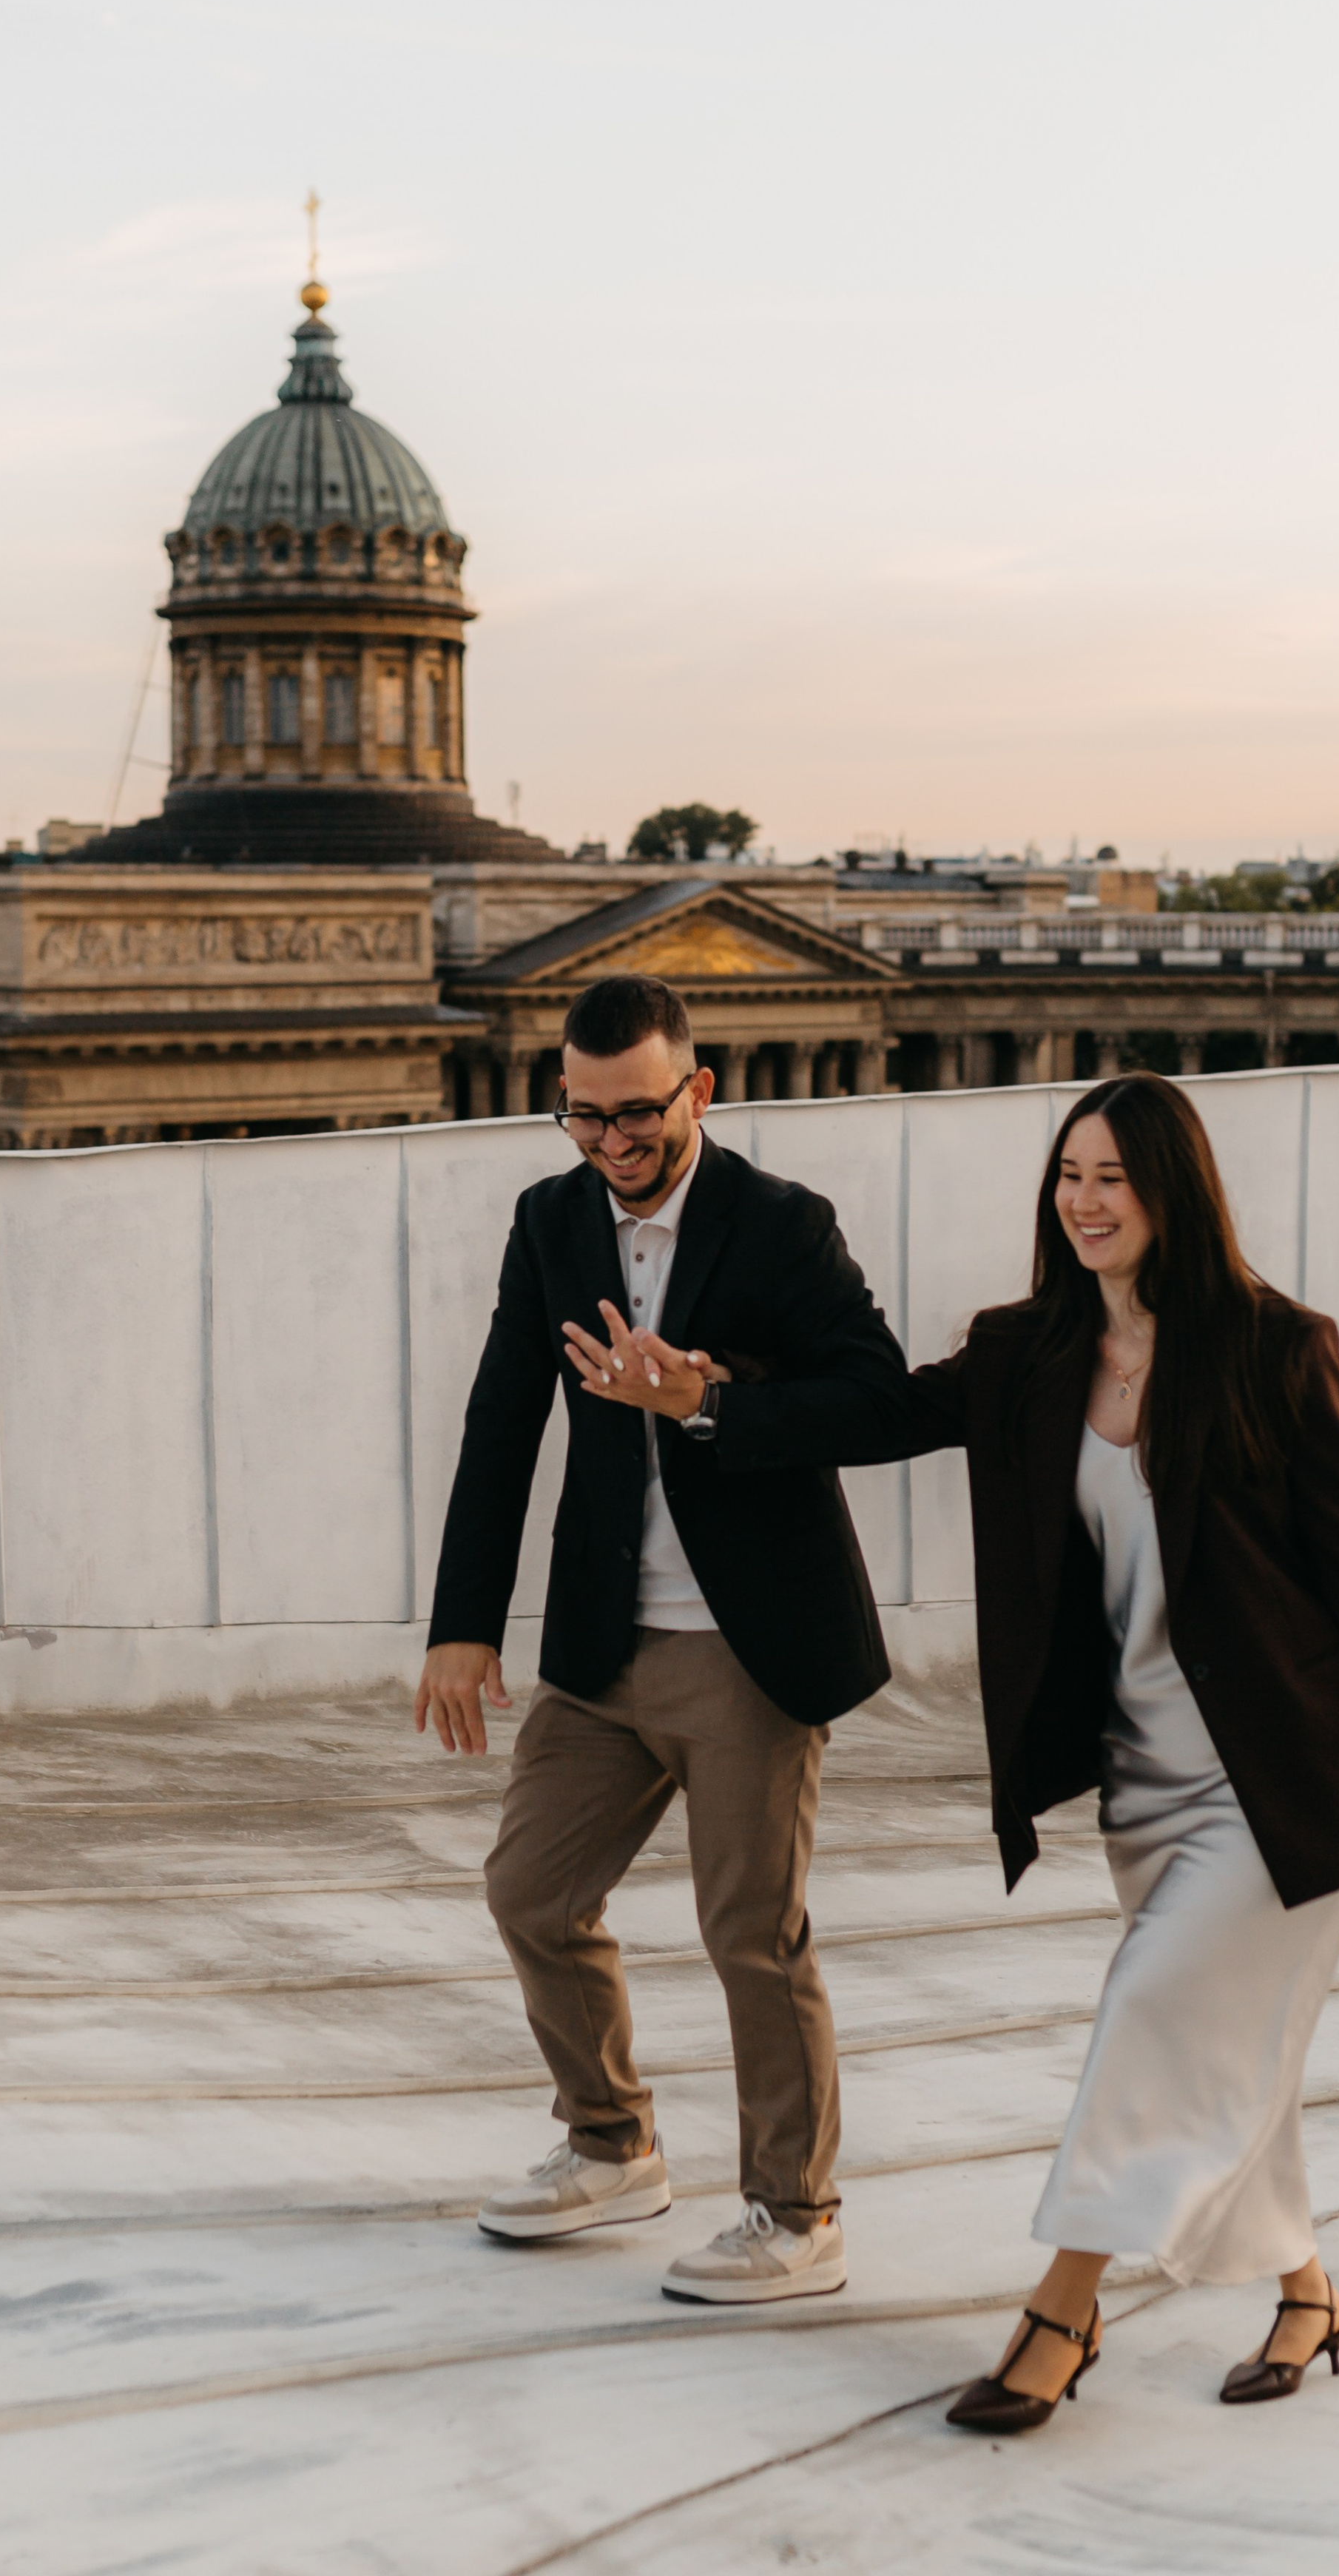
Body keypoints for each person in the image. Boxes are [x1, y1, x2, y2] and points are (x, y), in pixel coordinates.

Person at [575, 1070, 1339, 2415]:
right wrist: (704, 1402)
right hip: (1147, 1787)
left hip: (1284, 1776)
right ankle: (1308, 2292)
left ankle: (1063, 2313)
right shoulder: (1030, 1353)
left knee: (1154, 2015)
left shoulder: (1275, 1349)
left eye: (1115, 1177)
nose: (1087, 1201)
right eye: (1071, 1175)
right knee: (1221, 2048)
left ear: (1173, 1191)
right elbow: (876, 1414)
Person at [416, 973, 909, 2304]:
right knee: (529, 1891)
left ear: (698, 1089)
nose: (613, 1145)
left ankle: (797, 2217)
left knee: (752, 1931)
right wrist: (464, 1624)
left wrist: (706, 1398)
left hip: (747, 1648)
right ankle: (611, 2144)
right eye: (582, 1118)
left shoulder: (783, 1227)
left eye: (636, 1115)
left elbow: (877, 1401)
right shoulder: (552, 1217)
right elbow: (500, 1420)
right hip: (601, 1638)